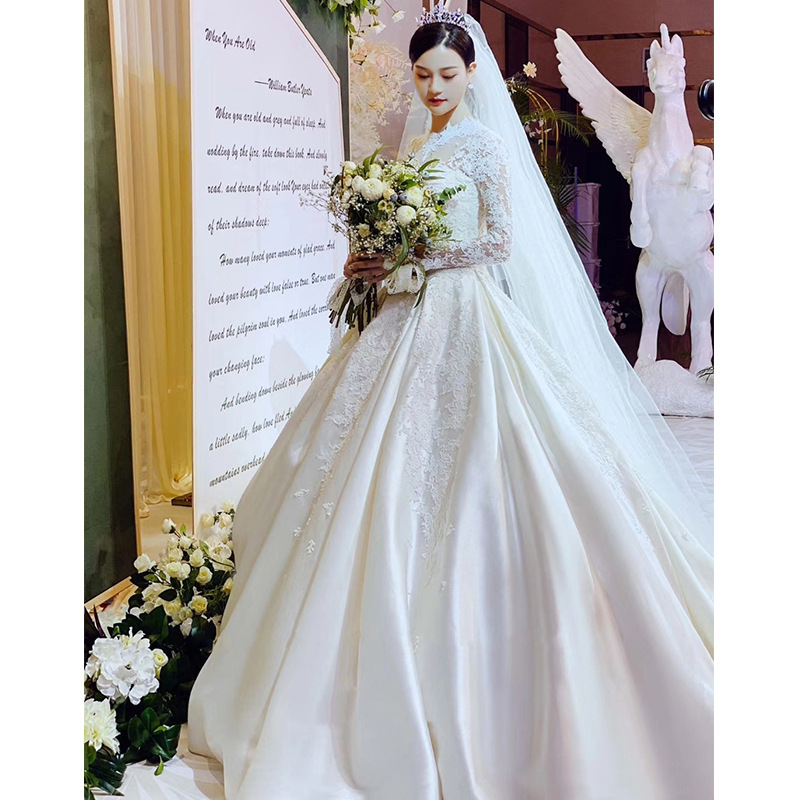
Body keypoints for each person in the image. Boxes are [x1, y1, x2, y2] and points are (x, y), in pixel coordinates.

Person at [188, 8, 713, 799]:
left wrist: (418, 252)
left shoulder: (482, 145)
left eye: (446, 75)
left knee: (501, 458)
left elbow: (498, 241)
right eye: (423, 75)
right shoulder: (417, 146)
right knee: (357, 456)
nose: (433, 88)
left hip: (465, 312)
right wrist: (373, 259)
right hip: (405, 313)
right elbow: (403, 232)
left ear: (471, 75)